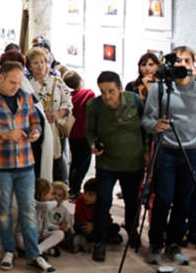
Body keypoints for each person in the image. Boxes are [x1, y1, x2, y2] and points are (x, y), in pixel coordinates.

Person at [0, 61, 54, 272]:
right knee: (4, 212)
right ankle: (9, 250)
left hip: (25, 163)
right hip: (1, 164)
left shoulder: (26, 97)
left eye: (18, 83)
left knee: (28, 210)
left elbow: (36, 123)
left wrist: (35, 133)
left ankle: (35, 254)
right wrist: (4, 135)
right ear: (0, 78)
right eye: (11, 82)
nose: (15, 86)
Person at [143, 46, 196, 265]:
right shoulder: (161, 89)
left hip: (191, 151)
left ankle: (174, 243)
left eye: (187, 60)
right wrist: (155, 125)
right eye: (178, 60)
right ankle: (156, 243)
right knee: (163, 198)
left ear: (193, 65)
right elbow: (146, 120)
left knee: (184, 200)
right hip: (166, 150)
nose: (182, 64)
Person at [86, 71, 144, 261]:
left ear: (120, 88)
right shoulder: (94, 106)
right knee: (103, 201)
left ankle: (132, 230)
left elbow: (146, 129)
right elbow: (90, 132)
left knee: (132, 200)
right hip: (107, 163)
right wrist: (94, 145)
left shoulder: (135, 101)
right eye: (103, 92)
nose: (107, 96)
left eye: (111, 91)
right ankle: (100, 241)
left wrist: (148, 153)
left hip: (133, 163)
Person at [26, 47, 72, 182]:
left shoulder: (57, 82)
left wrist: (59, 113)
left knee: (57, 161)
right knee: (38, 162)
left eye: (42, 62)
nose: (40, 66)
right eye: (35, 63)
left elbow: (68, 101)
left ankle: (57, 191)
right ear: (30, 66)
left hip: (55, 129)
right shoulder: (27, 85)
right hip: (36, 129)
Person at [63, 70, 95, 199]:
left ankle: (72, 188)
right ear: (80, 79)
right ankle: (75, 190)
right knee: (83, 164)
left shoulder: (68, 97)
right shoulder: (88, 94)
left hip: (72, 134)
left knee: (75, 162)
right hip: (85, 134)